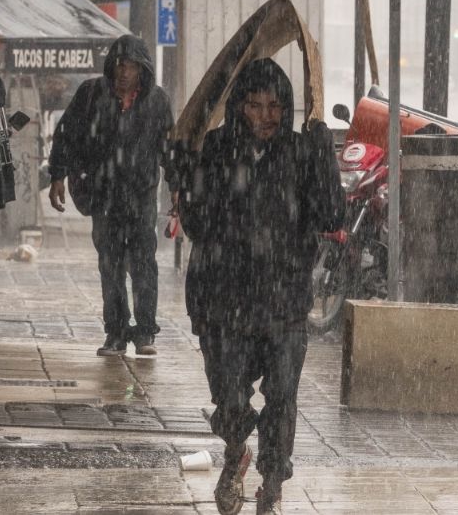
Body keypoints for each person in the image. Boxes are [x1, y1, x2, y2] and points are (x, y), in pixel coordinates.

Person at [177, 58, 344, 515]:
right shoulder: (215, 149)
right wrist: (184, 176)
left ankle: (272, 481)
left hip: (284, 302)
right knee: (229, 396)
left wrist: (323, 153)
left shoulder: (300, 151)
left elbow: (331, 216)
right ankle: (235, 452)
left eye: (275, 106)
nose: (266, 116)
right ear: (239, 107)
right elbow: (197, 225)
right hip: (223, 302)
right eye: (255, 105)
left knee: (283, 394)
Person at [47, 35, 176, 356]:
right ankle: (116, 332)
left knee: (144, 263)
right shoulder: (91, 94)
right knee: (111, 265)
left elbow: (169, 151)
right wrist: (57, 175)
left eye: (130, 65)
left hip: (142, 196)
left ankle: (145, 332)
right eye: (118, 64)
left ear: (142, 69)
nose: (123, 72)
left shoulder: (157, 101)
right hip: (103, 196)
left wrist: (178, 191)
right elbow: (66, 135)